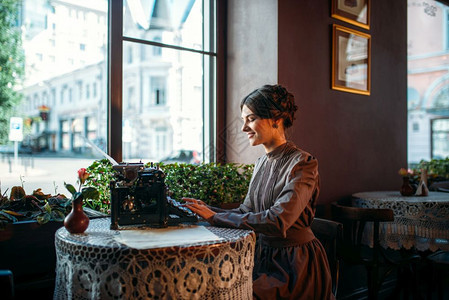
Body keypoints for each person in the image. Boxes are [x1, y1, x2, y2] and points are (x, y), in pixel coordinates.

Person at [184, 84, 334, 300]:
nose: (244, 128)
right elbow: (246, 210)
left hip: (294, 267)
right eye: (244, 120)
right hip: (263, 258)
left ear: (276, 119)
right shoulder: (261, 163)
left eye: (251, 119)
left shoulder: (303, 163)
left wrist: (216, 217)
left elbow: (278, 220)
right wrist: (206, 210)